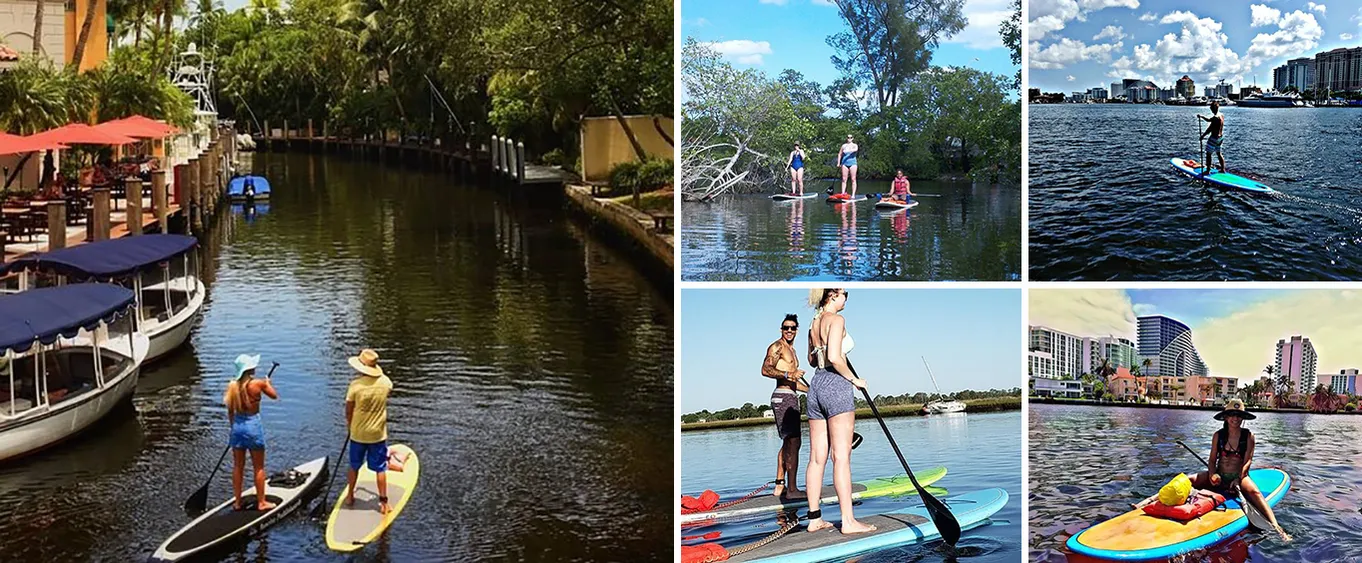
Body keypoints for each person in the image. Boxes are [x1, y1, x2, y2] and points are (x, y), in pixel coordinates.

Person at [804, 288, 873, 534]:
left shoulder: (813, 323)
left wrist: (826, 352)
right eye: (845, 294)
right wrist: (855, 379)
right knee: (841, 457)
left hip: (816, 386)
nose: (846, 299)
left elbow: (813, 361)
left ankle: (814, 519)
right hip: (835, 385)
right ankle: (848, 521)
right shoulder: (837, 320)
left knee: (816, 457)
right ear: (833, 294)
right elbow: (834, 357)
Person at [1189, 399, 1291, 541]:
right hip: (1219, 475)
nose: (1235, 418)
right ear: (1225, 417)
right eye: (1231, 415)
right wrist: (1212, 475)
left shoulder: (1249, 436)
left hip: (1240, 477)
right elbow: (1212, 460)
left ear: (1243, 417)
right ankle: (1153, 500)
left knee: (1255, 492)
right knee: (1190, 480)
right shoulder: (1218, 436)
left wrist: (1238, 478)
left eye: (1238, 415)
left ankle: (1278, 528)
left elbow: (1247, 461)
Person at [761, 313, 808, 500]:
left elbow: (794, 381)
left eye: (792, 327)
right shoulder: (777, 346)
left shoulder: (792, 351)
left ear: (796, 330)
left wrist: (811, 390)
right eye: (786, 327)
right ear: (781, 329)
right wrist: (789, 373)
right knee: (794, 442)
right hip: (783, 397)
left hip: (790, 395)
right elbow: (765, 369)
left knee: (788, 441)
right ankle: (793, 490)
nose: (789, 330)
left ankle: (780, 486)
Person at [224, 354, 279, 511]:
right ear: (250, 368)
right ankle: (262, 502)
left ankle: (237, 502)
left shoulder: (232, 386)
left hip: (237, 427)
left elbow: (230, 412)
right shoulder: (258, 384)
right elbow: (274, 396)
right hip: (253, 426)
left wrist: (233, 429)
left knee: (238, 466)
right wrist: (267, 384)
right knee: (259, 467)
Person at [344, 348, 396, 514]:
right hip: (377, 434)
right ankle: (383, 502)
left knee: (354, 466)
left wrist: (349, 424)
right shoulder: (386, 382)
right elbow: (388, 391)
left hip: (358, 433)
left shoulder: (355, 386)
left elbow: (348, 409)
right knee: (380, 468)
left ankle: (350, 496)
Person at [1197, 101, 1226, 175]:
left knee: (1208, 154)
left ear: (1214, 109)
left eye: (1212, 109)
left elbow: (1209, 129)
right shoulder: (1221, 115)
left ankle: (1208, 170)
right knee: (1219, 153)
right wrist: (1202, 117)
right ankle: (1223, 169)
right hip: (1220, 138)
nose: (1211, 111)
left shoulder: (1215, 118)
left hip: (1214, 138)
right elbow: (1209, 120)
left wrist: (1202, 136)